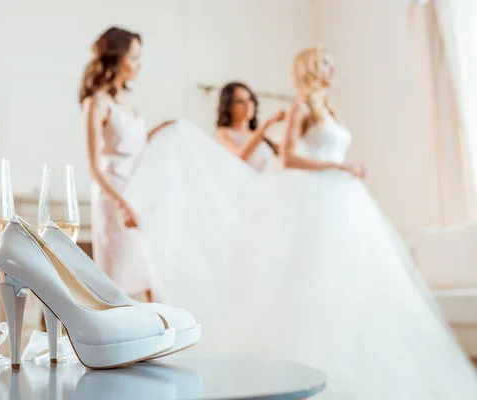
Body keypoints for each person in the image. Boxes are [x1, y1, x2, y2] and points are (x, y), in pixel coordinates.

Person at [124, 46, 477, 398]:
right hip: (315, 197)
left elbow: (285, 155)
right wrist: (338, 166)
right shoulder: (300, 108)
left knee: (356, 281)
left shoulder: (329, 109)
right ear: (310, 69)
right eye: (325, 64)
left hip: (345, 201)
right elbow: (289, 157)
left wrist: (342, 168)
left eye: (332, 63)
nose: (331, 70)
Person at [80, 26, 173, 302]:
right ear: (116, 57)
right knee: (118, 277)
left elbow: (137, 144)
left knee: (149, 272)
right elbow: (94, 167)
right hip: (114, 198)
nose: (138, 64)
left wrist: (163, 130)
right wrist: (123, 204)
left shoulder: (127, 100)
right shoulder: (96, 103)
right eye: (133, 57)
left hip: (138, 191)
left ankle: (157, 339)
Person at [214, 82, 284, 172]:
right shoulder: (222, 132)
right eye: (240, 101)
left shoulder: (260, 137)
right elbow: (239, 157)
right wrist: (268, 123)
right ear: (229, 107)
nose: (248, 105)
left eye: (250, 99)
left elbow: (287, 154)